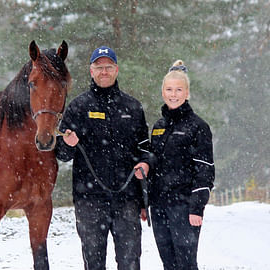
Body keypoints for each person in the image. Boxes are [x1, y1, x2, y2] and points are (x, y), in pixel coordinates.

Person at [55, 46, 151, 270]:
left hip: (127, 199)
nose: (104, 71)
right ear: (91, 71)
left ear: (116, 70)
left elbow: (145, 151)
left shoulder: (133, 107)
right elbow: (62, 153)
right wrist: (67, 144)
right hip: (89, 200)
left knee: (130, 262)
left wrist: (145, 169)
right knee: (94, 262)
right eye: (99, 67)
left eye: (108, 67)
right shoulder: (78, 107)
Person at [147, 60, 215, 270]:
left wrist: (197, 207)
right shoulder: (158, 127)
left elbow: (205, 170)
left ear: (187, 93)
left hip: (184, 207)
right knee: (169, 263)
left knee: (185, 264)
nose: (173, 94)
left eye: (178, 90)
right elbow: (153, 165)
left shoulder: (198, 127)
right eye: (169, 89)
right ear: (162, 92)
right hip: (159, 207)